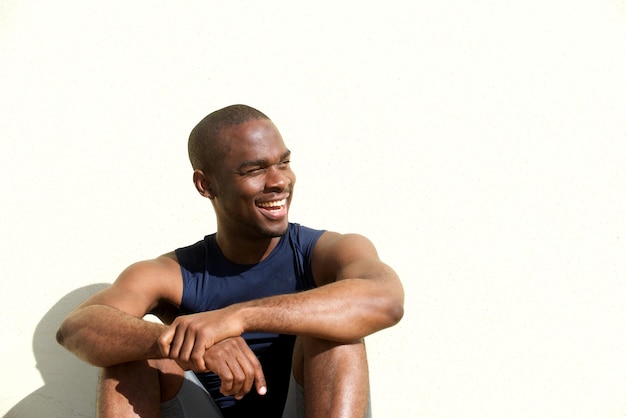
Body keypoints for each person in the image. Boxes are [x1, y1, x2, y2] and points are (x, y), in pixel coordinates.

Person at [56, 104, 404, 418]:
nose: (279, 180)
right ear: (206, 184)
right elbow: (76, 327)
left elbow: (384, 299)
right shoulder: (175, 273)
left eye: (283, 162)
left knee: (336, 335)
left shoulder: (325, 250)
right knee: (131, 357)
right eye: (255, 170)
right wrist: (181, 342)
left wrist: (235, 318)